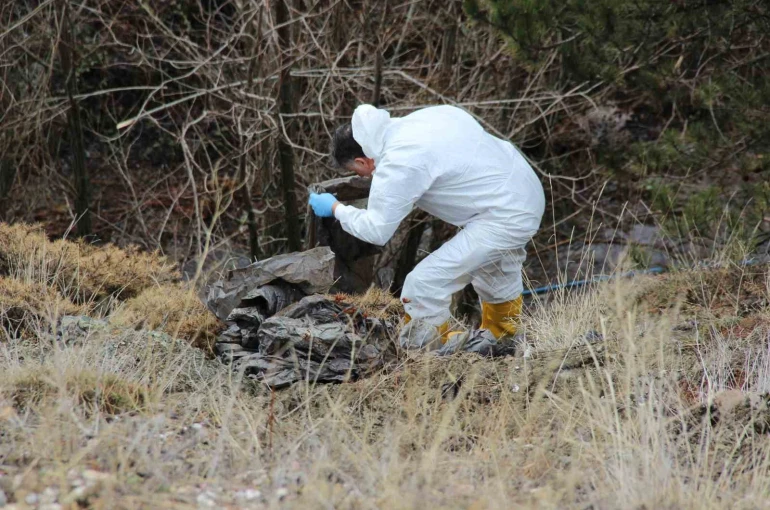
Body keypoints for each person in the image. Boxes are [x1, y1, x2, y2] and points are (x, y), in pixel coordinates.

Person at [309, 104, 545, 347]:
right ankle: (503, 338)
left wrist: (336, 208)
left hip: (505, 212)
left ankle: (429, 354)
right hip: (522, 187)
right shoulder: (417, 123)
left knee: (423, 285)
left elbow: (376, 230)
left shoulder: (398, 162)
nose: (363, 176)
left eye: (357, 171)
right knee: (495, 269)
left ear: (361, 160)